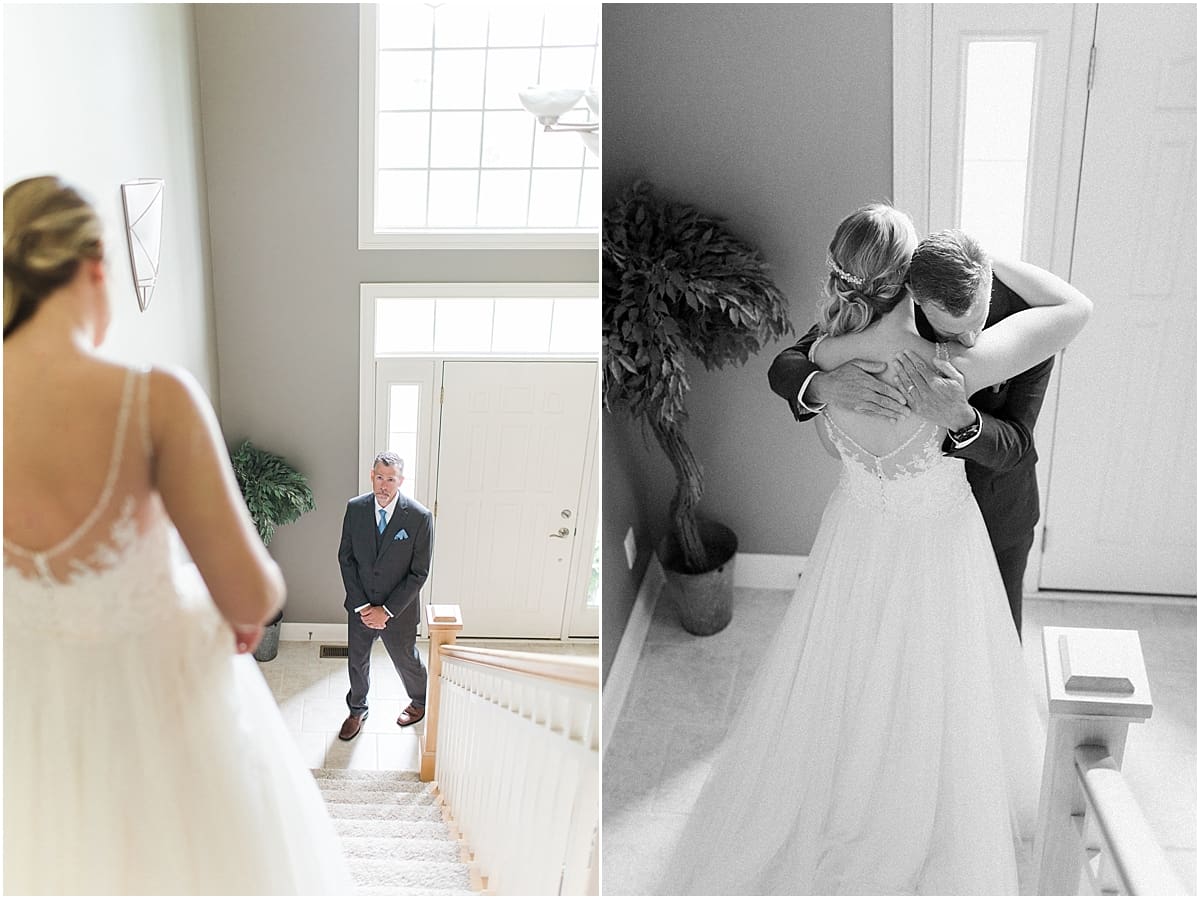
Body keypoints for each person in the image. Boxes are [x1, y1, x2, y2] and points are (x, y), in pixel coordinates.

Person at [660, 204, 1091, 894]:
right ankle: (926, 796)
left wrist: (957, 409)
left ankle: (883, 786)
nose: (975, 323)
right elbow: (1075, 309)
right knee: (946, 673)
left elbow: (1016, 444)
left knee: (875, 665)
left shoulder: (832, 348)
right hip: (940, 543)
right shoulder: (953, 364)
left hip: (872, 534)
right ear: (910, 286)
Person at [2, 175, 352, 893]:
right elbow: (253, 593)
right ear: (96, 265)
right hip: (164, 721)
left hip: (28, 729)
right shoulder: (150, 397)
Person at [768, 226, 1058, 637]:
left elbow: (1017, 445)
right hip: (897, 530)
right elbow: (787, 363)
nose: (972, 341)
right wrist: (820, 385)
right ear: (913, 291)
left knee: (995, 646)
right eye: (952, 332)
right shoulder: (884, 308)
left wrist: (962, 418)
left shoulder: (1024, 323)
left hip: (998, 516)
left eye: (975, 322)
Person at [337, 452, 434, 740]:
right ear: (372, 476)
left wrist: (386, 611)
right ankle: (357, 708)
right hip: (361, 607)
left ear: (401, 481)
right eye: (380, 477)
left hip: (399, 612)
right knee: (357, 659)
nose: (384, 485)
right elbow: (346, 559)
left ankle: (420, 702)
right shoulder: (355, 509)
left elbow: (419, 572)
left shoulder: (419, 517)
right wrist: (364, 605)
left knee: (406, 658)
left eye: (391, 479)